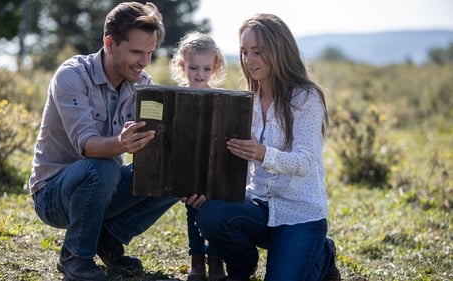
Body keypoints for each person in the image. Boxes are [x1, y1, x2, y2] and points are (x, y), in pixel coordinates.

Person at [27, 2, 180, 281]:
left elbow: (160, 143)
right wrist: (122, 144)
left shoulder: (141, 83)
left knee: (174, 169)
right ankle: (75, 257)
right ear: (109, 43)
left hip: (102, 188)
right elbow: (87, 146)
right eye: (136, 52)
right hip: (52, 195)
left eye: (150, 52)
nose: (144, 62)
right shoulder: (72, 76)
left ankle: (108, 239)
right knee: (103, 167)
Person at [190, 13, 341, 281]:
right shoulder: (247, 100)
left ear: (278, 50)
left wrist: (262, 153)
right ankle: (242, 267)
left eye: (257, 52)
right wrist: (206, 190)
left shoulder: (306, 97)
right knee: (212, 214)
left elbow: (306, 162)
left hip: (300, 215)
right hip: (258, 206)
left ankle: (323, 253)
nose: (249, 60)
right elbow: (231, 158)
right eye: (245, 52)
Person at [169, 31, 227, 281]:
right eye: (193, 67)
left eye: (206, 68)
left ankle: (216, 261)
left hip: (215, 168)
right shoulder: (177, 99)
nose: (199, 74)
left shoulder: (222, 99)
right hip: (188, 167)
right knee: (193, 213)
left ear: (215, 69)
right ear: (182, 67)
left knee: (214, 213)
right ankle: (196, 262)